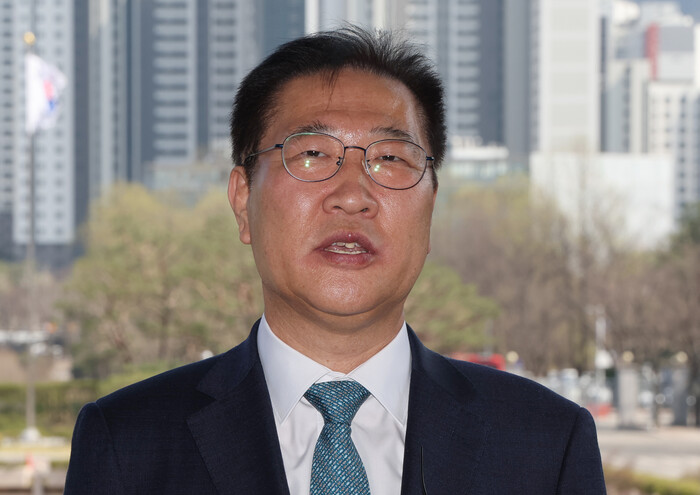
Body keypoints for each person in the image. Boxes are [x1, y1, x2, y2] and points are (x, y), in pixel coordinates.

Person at [64, 27, 606, 494]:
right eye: (312, 154)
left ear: (431, 208)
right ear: (243, 202)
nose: (352, 195)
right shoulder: (126, 442)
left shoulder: (545, 443)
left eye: (389, 158)